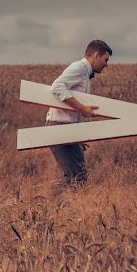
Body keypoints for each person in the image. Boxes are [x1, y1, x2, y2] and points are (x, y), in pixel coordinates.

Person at [45, 39, 112, 184]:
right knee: (74, 178)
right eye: (105, 60)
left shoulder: (85, 74)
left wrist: (79, 135)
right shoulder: (79, 68)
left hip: (69, 128)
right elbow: (57, 87)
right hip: (60, 126)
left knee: (79, 177)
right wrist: (82, 108)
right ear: (96, 55)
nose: (106, 64)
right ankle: (47, 201)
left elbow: (75, 109)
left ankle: (61, 203)